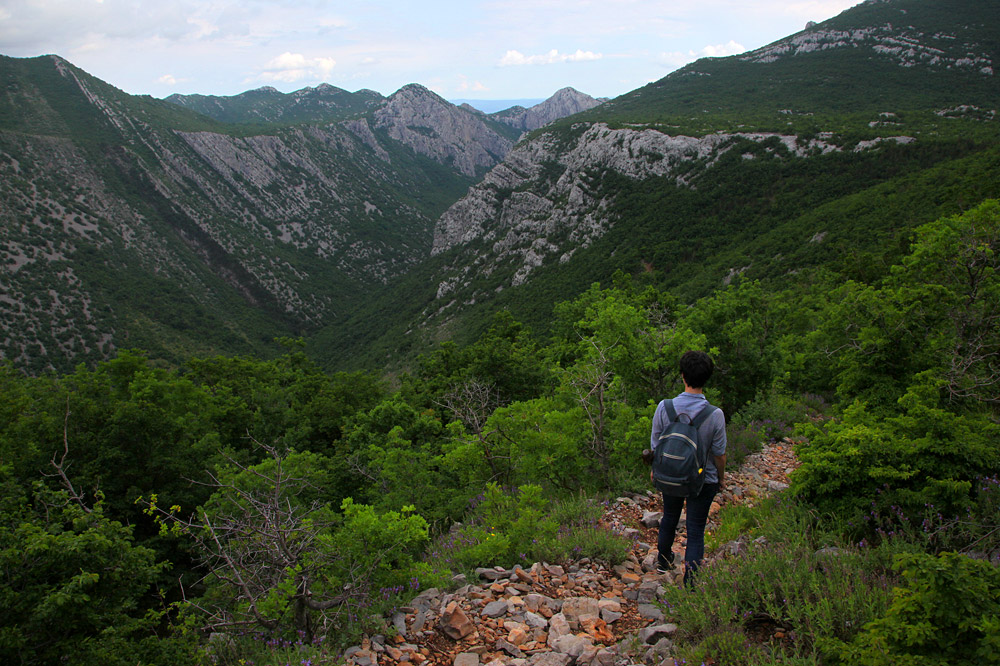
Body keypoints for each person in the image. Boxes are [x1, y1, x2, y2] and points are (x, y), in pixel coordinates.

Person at [650, 350, 727, 584]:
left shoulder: (665, 407)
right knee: (695, 529)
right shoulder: (715, 415)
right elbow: (719, 454)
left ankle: (663, 562)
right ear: (707, 378)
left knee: (669, 517)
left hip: (671, 474)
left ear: (682, 376)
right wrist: (721, 479)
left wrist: (656, 469)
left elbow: (655, 444)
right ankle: (691, 583)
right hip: (703, 480)